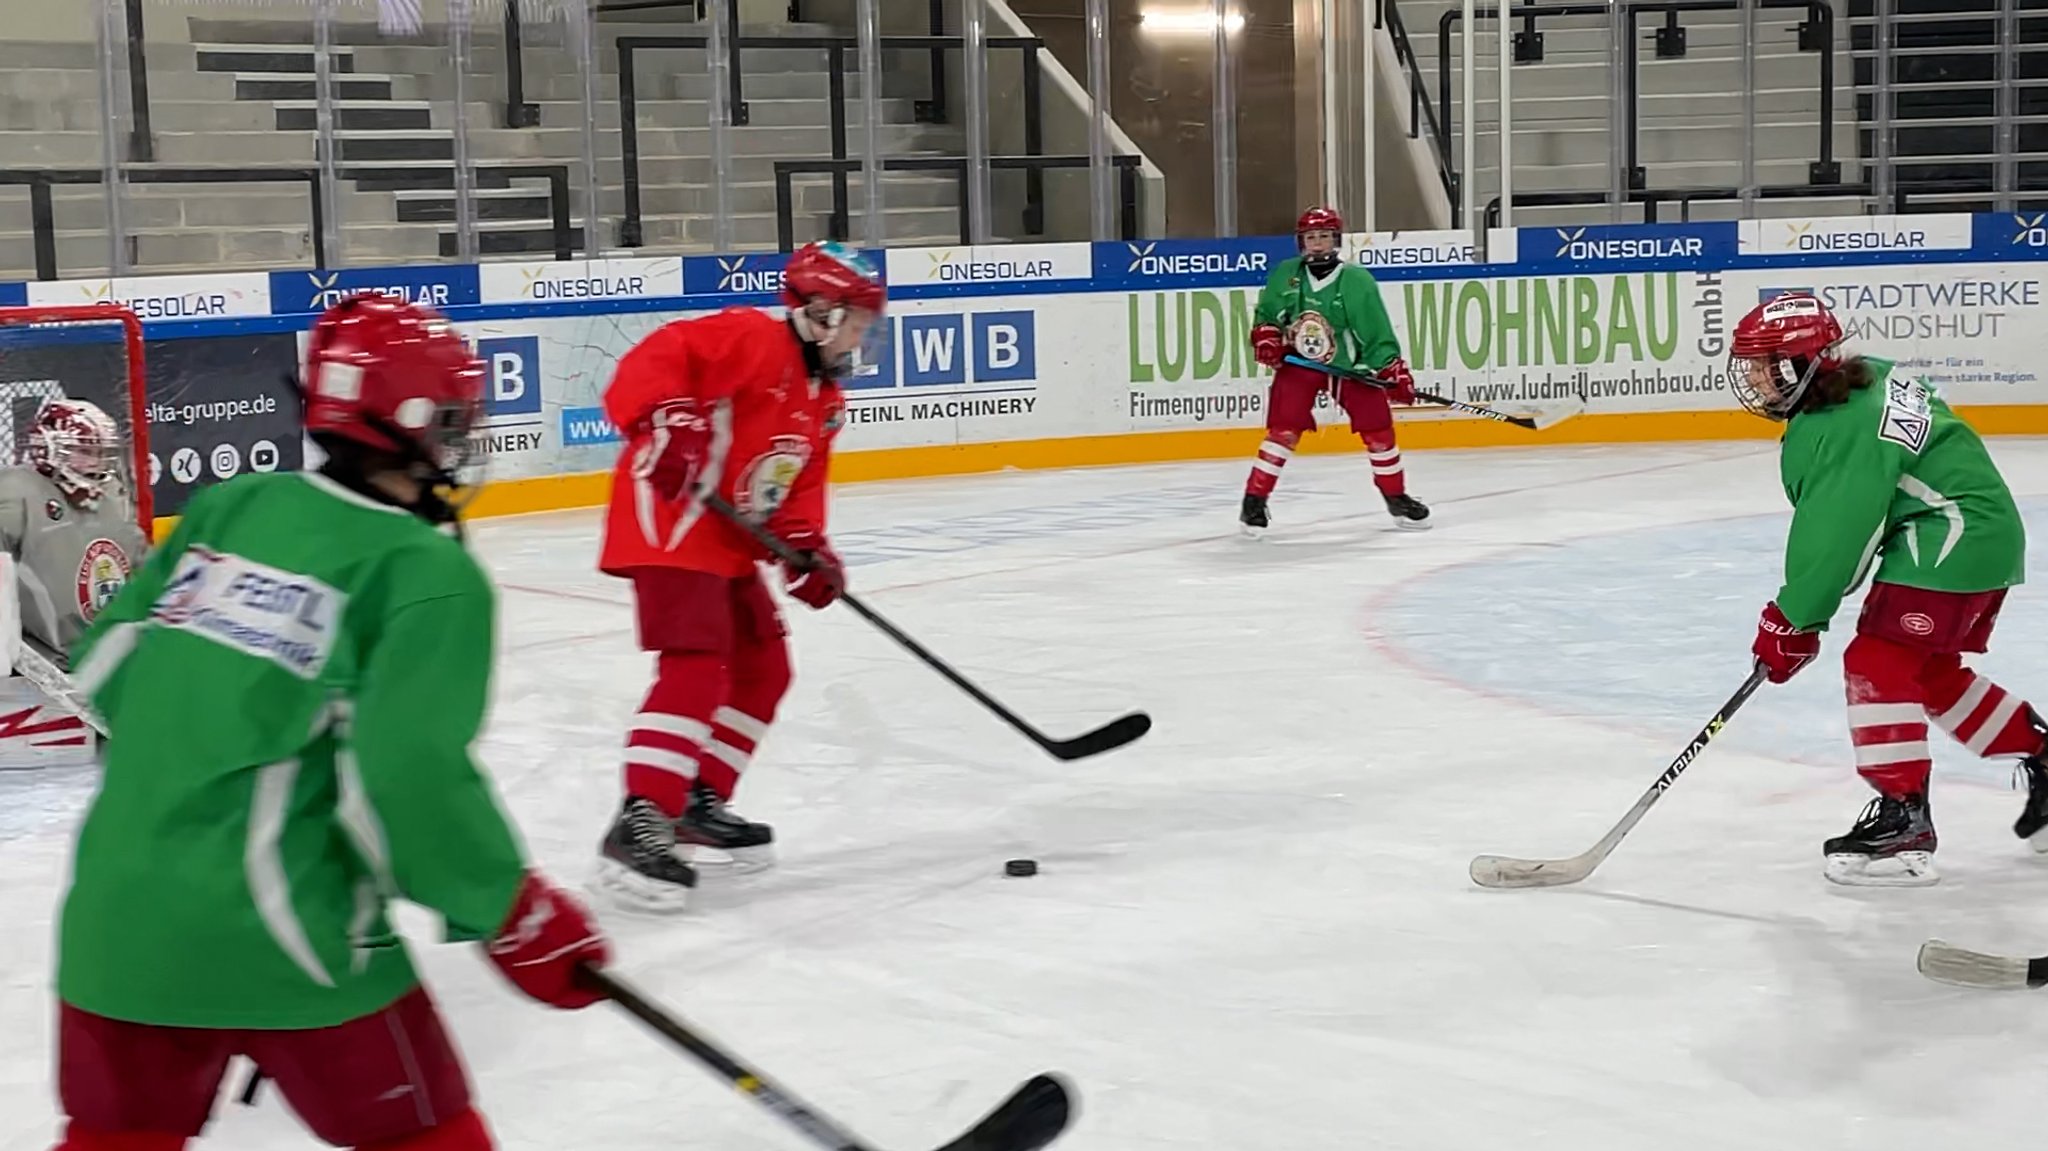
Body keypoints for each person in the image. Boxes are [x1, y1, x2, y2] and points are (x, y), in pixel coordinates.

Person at [48, 294, 611, 1151]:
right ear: (413, 423)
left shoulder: (229, 507)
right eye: (454, 419)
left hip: (115, 921)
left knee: (117, 1137)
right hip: (288, 934)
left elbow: (106, 673)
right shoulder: (423, 570)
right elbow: (404, 778)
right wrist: (511, 910)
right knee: (424, 1134)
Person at [595, 241, 885, 912]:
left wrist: (807, 548)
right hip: (668, 516)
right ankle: (640, 819)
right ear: (819, 312)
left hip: (723, 537)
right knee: (698, 662)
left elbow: (795, 485)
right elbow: (653, 359)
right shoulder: (750, 336)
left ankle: (697, 798)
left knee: (764, 666)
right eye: (858, 323)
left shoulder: (824, 401)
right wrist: (671, 417)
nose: (863, 337)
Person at [1737, 291, 2048, 887]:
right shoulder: (1864, 377)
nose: (1753, 378)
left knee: (1875, 662)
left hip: (1952, 536)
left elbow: (1837, 542)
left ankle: (1904, 816)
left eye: (1763, 364)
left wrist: (1794, 619)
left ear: (1801, 363)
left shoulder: (1842, 428)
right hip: (1978, 530)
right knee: (1926, 673)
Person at [1242, 206, 1429, 535]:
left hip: (1348, 367)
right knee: (1283, 430)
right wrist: (1268, 337)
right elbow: (1268, 315)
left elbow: (1376, 330)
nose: (1317, 244)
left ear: (1336, 240)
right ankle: (1254, 501)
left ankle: (1395, 496)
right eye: (1311, 237)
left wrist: (1391, 368)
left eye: (1324, 237)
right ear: (1301, 242)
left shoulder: (1356, 280)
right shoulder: (1286, 274)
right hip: (1299, 364)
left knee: (1378, 430)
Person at [0, 398, 150, 664]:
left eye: (101, 454)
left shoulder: (112, 495)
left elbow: (141, 562)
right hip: (41, 669)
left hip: (111, 658)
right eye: (85, 452)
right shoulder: (16, 494)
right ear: (47, 447)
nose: (97, 463)